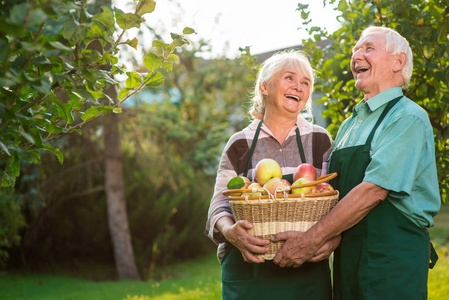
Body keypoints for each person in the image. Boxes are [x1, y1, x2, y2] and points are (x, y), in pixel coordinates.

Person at [272, 26, 441, 299]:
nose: (356, 56)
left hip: (391, 259)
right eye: (355, 51)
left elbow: (374, 190)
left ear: (398, 62)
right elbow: (332, 191)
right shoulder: (350, 124)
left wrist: (311, 239)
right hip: (348, 255)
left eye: (368, 49)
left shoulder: (406, 117)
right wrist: (328, 235)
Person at [205, 50, 340, 300]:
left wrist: (332, 240)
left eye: (306, 82)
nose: (298, 87)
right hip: (251, 277)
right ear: (264, 87)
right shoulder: (240, 143)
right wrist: (230, 231)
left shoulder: (319, 139)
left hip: (306, 276)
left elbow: (333, 202)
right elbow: (219, 206)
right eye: (289, 78)